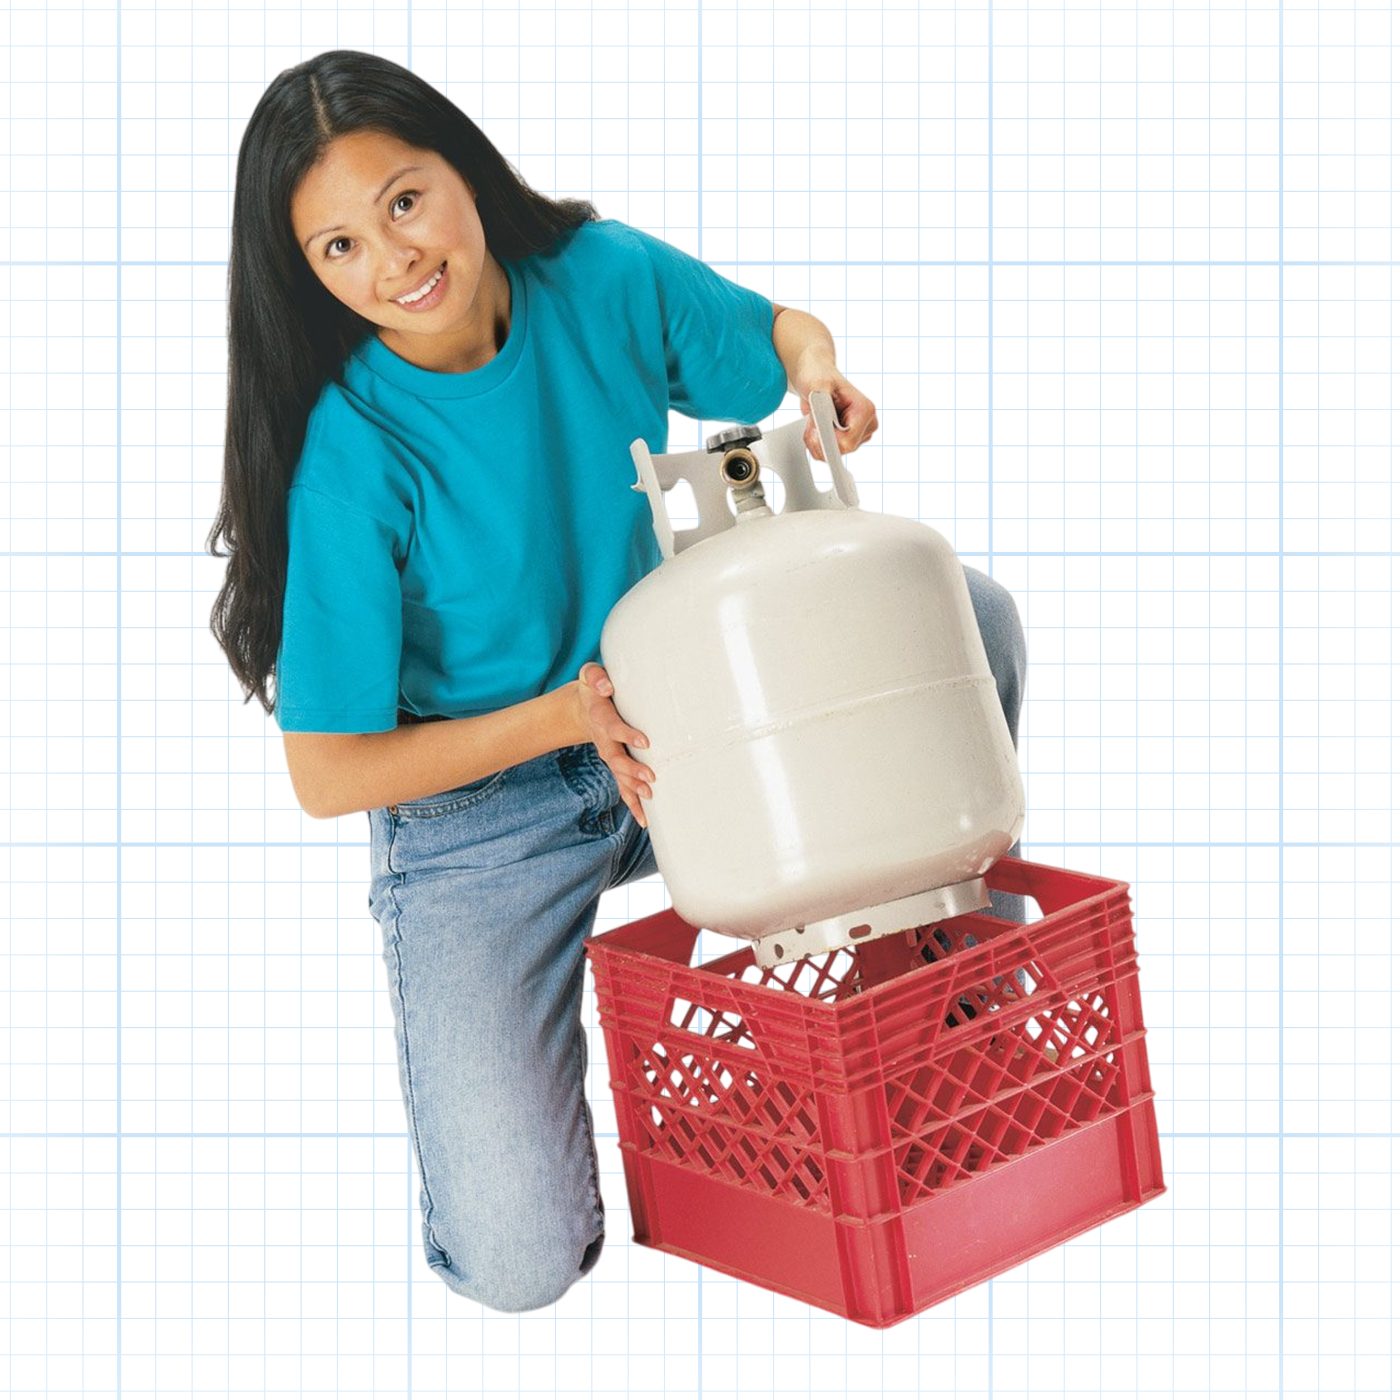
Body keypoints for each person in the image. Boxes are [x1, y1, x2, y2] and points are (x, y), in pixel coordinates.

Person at [207, 49, 1028, 1314]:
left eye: (404, 201)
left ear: (461, 169)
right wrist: (559, 717)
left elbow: (776, 336)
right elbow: (326, 772)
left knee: (963, 612)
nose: (393, 262)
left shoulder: (597, 277)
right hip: (480, 811)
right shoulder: (349, 456)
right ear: (308, 277)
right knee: (520, 1262)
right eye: (338, 248)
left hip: (674, 729)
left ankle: (932, 953)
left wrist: (813, 372)